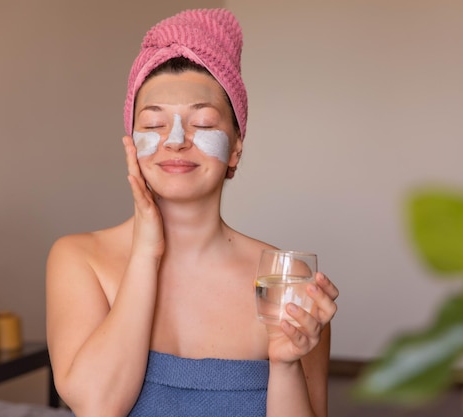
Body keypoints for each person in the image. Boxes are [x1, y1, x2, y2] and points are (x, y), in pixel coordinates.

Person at [46, 8, 339, 417]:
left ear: (236, 146)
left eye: (202, 122)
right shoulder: (80, 259)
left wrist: (285, 366)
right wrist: (146, 252)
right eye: (154, 124)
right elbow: (98, 406)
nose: (177, 141)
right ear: (131, 142)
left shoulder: (285, 281)